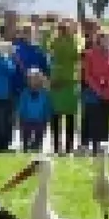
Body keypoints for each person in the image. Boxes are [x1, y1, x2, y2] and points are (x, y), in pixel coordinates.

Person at [82, 32, 109, 155]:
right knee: (94, 120)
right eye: (103, 39)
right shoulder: (90, 54)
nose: (105, 42)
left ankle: (102, 147)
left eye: (108, 39)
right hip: (93, 93)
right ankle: (93, 147)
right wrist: (98, 90)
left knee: (106, 121)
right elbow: (87, 75)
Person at [47, 20, 80, 155]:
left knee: (69, 115)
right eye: (61, 28)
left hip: (70, 82)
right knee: (56, 115)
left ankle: (68, 147)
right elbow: (49, 51)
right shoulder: (56, 42)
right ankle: (57, 146)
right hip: (58, 81)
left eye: (65, 28)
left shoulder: (74, 41)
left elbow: (77, 55)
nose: (63, 30)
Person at [18, 67, 51, 152]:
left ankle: (37, 147)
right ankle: (25, 148)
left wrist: (46, 117)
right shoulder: (25, 93)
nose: (33, 81)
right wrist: (21, 116)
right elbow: (22, 106)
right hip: (27, 119)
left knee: (39, 137)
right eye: (31, 79)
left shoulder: (44, 93)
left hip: (40, 120)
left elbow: (46, 106)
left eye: (36, 79)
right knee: (26, 136)